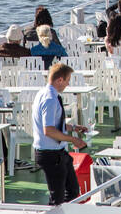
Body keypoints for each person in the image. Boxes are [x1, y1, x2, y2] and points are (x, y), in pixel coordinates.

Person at [32, 63, 89, 205]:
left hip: (57, 153)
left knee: (72, 190)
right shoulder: (50, 99)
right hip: (50, 154)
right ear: (60, 80)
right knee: (57, 197)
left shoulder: (44, 94)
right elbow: (49, 130)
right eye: (67, 80)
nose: (68, 84)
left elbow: (54, 124)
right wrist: (73, 140)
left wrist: (73, 127)